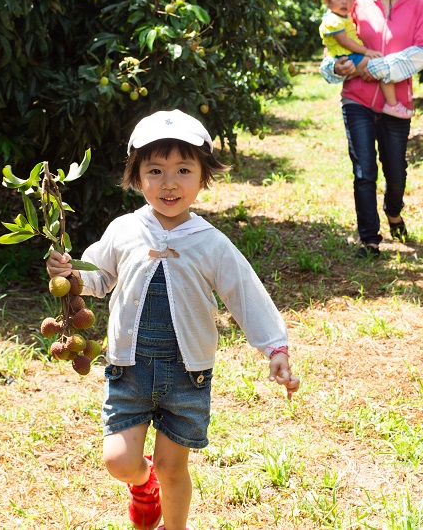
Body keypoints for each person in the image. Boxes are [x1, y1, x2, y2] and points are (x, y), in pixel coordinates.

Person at [46, 110, 300, 530]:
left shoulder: (210, 242)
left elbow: (244, 292)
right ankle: (143, 488)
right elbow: (100, 276)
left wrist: (275, 347)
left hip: (187, 374)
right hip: (128, 367)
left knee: (172, 467)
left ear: (203, 178)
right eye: (155, 170)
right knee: (120, 461)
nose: (169, 183)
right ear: (136, 177)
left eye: (184, 170)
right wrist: (70, 274)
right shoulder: (125, 229)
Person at [319, 0, 423, 259]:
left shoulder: (419, 6)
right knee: (364, 169)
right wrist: (336, 68)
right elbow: (336, 45)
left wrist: (381, 68)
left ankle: (393, 210)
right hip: (356, 99)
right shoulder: (357, 5)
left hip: (396, 104)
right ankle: (369, 239)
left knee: (395, 170)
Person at [318, 0, 412, 119]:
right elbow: (345, 41)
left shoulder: (342, 16)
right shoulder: (333, 20)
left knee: (378, 68)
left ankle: (389, 101)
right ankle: (392, 104)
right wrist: (367, 51)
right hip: (349, 56)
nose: (345, 2)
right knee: (381, 66)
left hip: (350, 56)